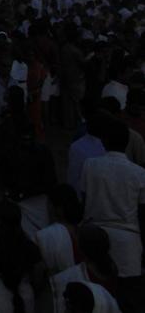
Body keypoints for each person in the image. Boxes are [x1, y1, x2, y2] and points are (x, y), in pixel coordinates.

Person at [78, 118, 145, 285]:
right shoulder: (139, 173)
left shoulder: (90, 165)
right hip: (128, 247)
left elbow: (84, 201)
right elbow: (142, 214)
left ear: (104, 140)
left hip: (94, 242)